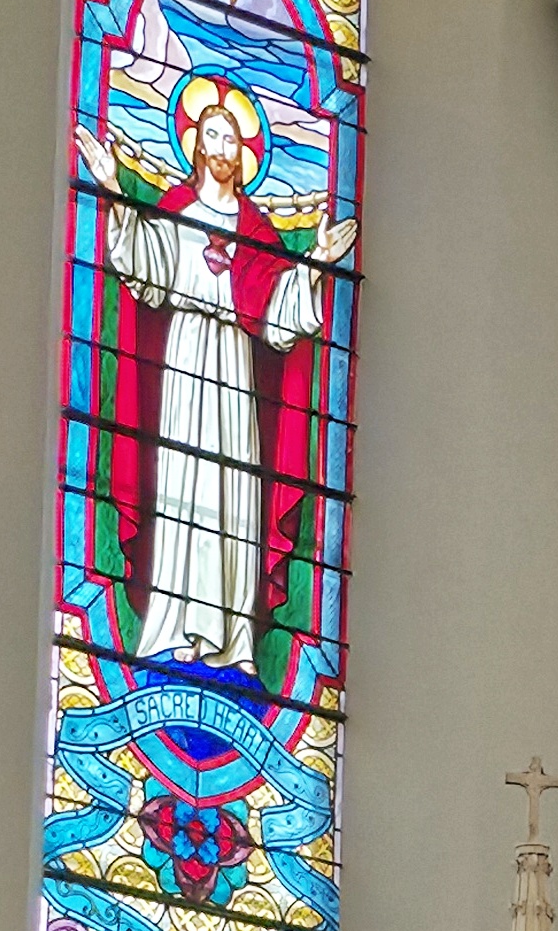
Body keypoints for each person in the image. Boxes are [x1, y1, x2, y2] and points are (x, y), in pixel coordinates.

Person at [78, 79, 355, 677]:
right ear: (197, 146)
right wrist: (112, 189)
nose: (222, 146)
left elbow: (279, 316)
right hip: (184, 361)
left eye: (231, 137)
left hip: (234, 366)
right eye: (212, 135)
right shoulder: (177, 212)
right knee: (184, 484)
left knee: (233, 495)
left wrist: (315, 264)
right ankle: (175, 627)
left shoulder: (257, 233)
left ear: (243, 153)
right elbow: (144, 267)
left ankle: (232, 639)